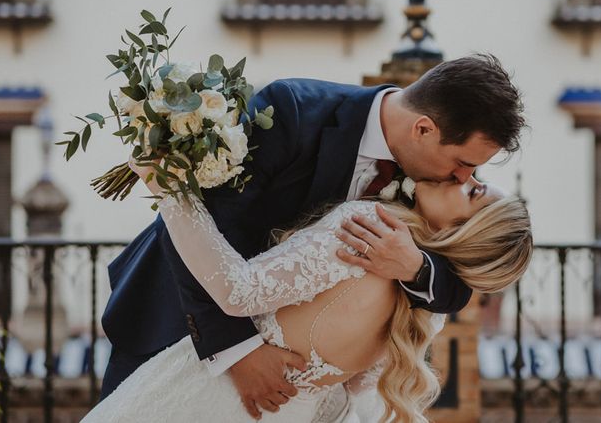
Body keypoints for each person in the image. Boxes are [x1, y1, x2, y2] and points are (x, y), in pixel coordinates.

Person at [99, 54, 527, 418]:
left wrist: (413, 265)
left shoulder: (433, 187)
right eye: (463, 163)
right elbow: (206, 223)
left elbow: (456, 282)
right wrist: (238, 351)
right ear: (423, 129)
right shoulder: (293, 113)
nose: (465, 177)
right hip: (175, 322)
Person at [84, 162, 533, 422]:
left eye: (473, 190)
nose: (461, 176)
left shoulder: (367, 227)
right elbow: (356, 386)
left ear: (465, 230)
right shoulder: (426, 309)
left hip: (196, 402)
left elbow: (240, 291)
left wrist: (171, 188)